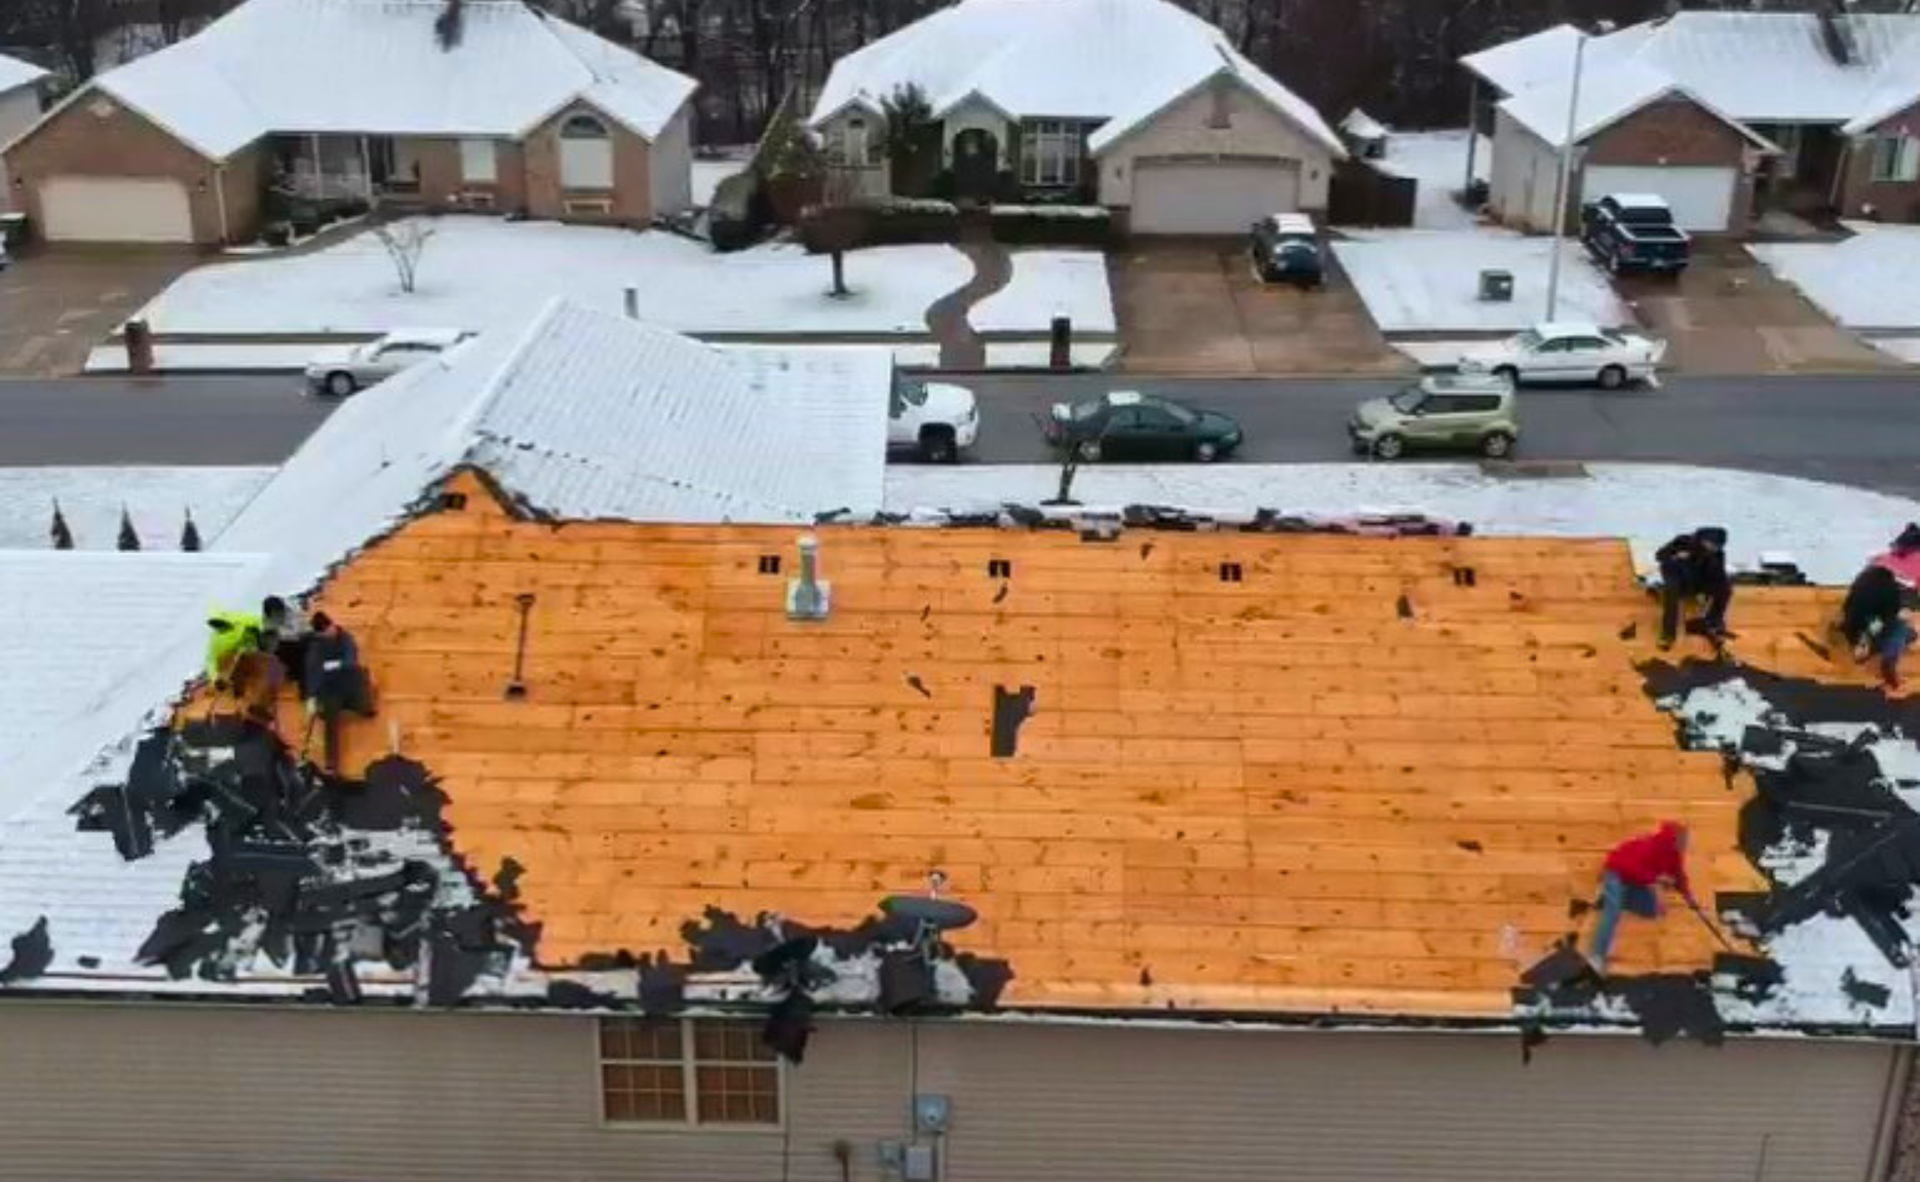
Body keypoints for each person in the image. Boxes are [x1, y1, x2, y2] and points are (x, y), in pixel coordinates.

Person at [1586, 821, 1695, 974]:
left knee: (1652, 910)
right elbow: (1633, 868)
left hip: (1633, 880)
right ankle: (1596, 956)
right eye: (1684, 840)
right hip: (1616, 871)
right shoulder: (1652, 846)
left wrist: (1689, 897)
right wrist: (1656, 881)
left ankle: (1609, 898)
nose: (1686, 844)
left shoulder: (1674, 854)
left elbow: (1678, 876)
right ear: (1675, 839)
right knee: (1612, 912)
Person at [303, 612, 374, 772]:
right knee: (330, 721)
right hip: (331, 690)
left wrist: (336, 665)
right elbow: (312, 672)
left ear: (331, 625)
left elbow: (351, 660)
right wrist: (311, 697)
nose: (327, 634)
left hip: (350, 682)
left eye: (328, 630)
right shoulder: (316, 646)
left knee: (365, 708)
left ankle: (365, 698)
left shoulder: (346, 638)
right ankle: (331, 762)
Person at [1841, 563, 1915, 691]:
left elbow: (1847, 610)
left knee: (1905, 631)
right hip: (1867, 633)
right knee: (1901, 629)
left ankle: (1867, 648)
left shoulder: (1858, 589)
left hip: (1853, 631)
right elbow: (1882, 620)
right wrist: (1866, 639)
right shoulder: (1890, 591)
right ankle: (1889, 661)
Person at [1656, 527, 1732, 649]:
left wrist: (1714, 588)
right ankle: (1668, 633)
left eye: (1719, 546)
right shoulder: (1683, 541)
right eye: (1714, 545)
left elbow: (1719, 576)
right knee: (1671, 591)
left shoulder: (1717, 554)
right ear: (1705, 540)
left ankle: (1713, 623)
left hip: (1698, 582)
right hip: (1678, 580)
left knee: (1725, 587)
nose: (1716, 548)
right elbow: (1659, 555)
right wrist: (1675, 556)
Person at [261, 595, 313, 694]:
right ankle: (273, 681)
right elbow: (267, 627)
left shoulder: (294, 609)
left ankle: (302, 680)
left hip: (303, 638)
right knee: (270, 648)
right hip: (284, 640)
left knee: (292, 650)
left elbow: (297, 633)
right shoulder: (268, 611)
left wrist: (278, 633)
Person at [204, 608, 265, 688]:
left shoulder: (242, 620)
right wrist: (215, 678)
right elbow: (210, 660)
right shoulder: (217, 640)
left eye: (219, 622)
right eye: (215, 624)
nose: (219, 626)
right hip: (246, 654)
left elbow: (261, 622)